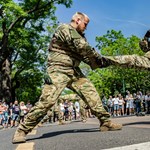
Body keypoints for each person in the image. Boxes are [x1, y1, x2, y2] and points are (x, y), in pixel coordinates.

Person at [12, 12, 122, 144]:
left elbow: (86, 57)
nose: (86, 27)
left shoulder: (81, 37)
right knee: (48, 101)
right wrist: (97, 58)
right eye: (85, 24)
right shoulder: (64, 29)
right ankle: (22, 130)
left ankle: (105, 122)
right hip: (58, 69)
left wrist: (101, 62)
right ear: (77, 19)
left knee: (91, 94)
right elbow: (83, 47)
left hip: (74, 71)